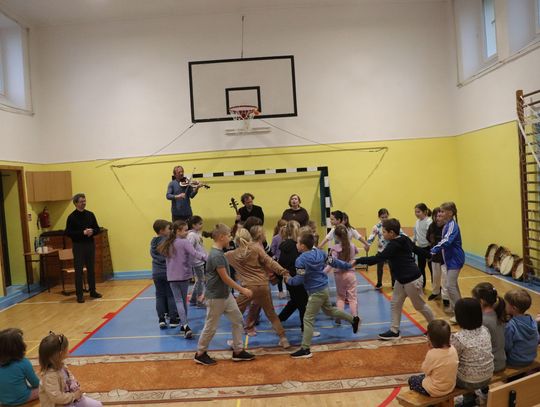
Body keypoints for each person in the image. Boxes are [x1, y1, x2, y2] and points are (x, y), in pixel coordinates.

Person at [354, 218, 435, 340]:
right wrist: (430, 255)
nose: (383, 234)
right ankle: (394, 330)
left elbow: (378, 258)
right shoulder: (404, 239)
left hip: (412, 280)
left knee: (419, 306)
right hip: (401, 280)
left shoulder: (394, 245)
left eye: (384, 232)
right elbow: (416, 249)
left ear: (391, 233)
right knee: (395, 303)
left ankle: (435, 328)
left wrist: (358, 260)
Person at [286, 232, 361, 359]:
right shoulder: (320, 253)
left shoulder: (300, 260)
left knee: (307, 319)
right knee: (329, 311)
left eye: (298, 243)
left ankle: (305, 349)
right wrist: (348, 265)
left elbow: (299, 279)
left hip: (316, 292)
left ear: (303, 246)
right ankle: (353, 320)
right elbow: (334, 262)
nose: (296, 245)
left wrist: (289, 280)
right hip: (324, 288)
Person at [194, 224, 255, 365]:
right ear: (221, 237)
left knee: (238, 320)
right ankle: (200, 353)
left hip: (225, 295)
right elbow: (225, 278)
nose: (230, 238)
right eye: (228, 235)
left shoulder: (219, 253)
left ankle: (238, 351)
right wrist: (243, 290)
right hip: (216, 298)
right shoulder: (217, 255)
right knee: (211, 327)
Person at [225, 227, 291, 349]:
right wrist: (284, 272)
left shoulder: (231, 255)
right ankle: (283, 339)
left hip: (247, 289)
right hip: (263, 286)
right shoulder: (256, 248)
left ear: (236, 240)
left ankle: (236, 342)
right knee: (271, 314)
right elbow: (270, 262)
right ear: (249, 237)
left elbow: (214, 260)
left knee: (236, 315)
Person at [158, 220, 207, 339]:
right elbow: (195, 253)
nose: (187, 232)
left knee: (178, 301)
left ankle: (184, 325)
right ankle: (185, 325)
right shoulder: (184, 242)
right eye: (185, 230)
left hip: (172, 277)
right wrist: (207, 258)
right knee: (182, 301)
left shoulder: (168, 243)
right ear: (178, 231)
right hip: (183, 276)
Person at [38, 332, 102, 407]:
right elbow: (57, 397)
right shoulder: (50, 376)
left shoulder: (61, 365)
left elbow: (69, 376)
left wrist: (73, 383)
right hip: (60, 404)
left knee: (98, 405)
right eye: (66, 349)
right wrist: (73, 396)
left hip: (69, 399)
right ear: (61, 353)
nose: (68, 351)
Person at [451, 298, 494, 405]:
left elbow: (453, 360)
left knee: (451, 370)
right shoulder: (485, 330)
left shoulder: (458, 338)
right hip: (488, 376)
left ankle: (469, 400)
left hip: (468, 381)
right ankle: (481, 393)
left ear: (459, 317)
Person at [431, 202, 464, 324]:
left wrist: (435, 249)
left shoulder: (452, 225)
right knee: (453, 285)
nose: (440, 214)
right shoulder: (447, 224)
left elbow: (447, 240)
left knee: (450, 286)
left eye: (442, 211)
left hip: (455, 259)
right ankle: (459, 309)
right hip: (449, 260)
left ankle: (460, 315)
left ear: (450, 213)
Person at [65, 193, 102, 303]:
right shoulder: (71, 217)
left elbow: (97, 229)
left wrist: (92, 231)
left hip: (89, 244)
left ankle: (92, 291)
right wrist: (82, 233)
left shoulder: (90, 214)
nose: (84, 203)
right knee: (79, 270)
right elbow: (68, 233)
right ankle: (80, 295)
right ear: (76, 203)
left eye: (85, 201)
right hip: (78, 246)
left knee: (91, 269)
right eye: (81, 201)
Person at [407, 320, 458, 397]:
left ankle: (424, 401)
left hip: (435, 390)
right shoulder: (453, 349)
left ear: (431, 339)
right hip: (450, 387)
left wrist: (430, 349)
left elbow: (425, 370)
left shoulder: (432, 354)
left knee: (412, 379)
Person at [278, 220, 311, 333]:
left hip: (289, 279)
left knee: (295, 301)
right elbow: (299, 264)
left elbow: (281, 262)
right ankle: (305, 329)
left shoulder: (285, 245)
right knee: (303, 303)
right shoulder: (295, 246)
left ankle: (279, 319)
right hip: (296, 278)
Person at [325, 225, 359, 321]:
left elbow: (331, 263)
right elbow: (356, 252)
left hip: (339, 275)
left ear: (336, 237)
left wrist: (323, 272)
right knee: (352, 298)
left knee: (340, 297)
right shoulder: (352, 245)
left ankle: (339, 317)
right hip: (351, 274)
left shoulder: (335, 248)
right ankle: (354, 317)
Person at [150, 219, 180, 329]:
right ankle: (173, 319)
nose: (170, 230)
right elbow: (170, 256)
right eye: (169, 229)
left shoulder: (153, 242)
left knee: (159, 295)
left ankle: (161, 319)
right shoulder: (166, 242)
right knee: (171, 295)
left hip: (156, 272)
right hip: (167, 272)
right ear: (162, 230)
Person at [471, 282, 506, 372]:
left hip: (491, 364)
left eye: (473, 299)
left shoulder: (483, 320)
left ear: (481, 301)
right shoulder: (497, 312)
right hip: (500, 359)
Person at [0, 328, 39, 406]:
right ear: (19, 346)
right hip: (22, 398)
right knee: (45, 388)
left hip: (3, 400)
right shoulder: (24, 362)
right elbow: (36, 383)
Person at [504, 289, 539, 366]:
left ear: (514, 308)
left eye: (506, 304)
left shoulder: (510, 325)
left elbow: (507, 346)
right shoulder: (532, 320)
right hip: (530, 358)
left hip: (515, 360)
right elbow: (537, 338)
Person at [367, 208, 394, 289]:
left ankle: (394, 283)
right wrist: (367, 244)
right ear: (379, 217)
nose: (384, 219)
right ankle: (379, 283)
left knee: (392, 267)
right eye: (382, 217)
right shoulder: (376, 227)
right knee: (379, 267)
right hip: (381, 250)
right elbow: (372, 236)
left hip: (391, 249)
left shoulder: (392, 225)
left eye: (386, 217)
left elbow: (399, 233)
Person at [426, 208, 449, 305]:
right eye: (435, 216)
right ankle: (435, 292)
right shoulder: (432, 226)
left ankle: (446, 297)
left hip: (445, 256)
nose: (437, 218)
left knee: (445, 277)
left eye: (440, 216)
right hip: (435, 255)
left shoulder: (447, 227)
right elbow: (428, 237)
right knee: (435, 276)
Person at [187, 216, 207, 308]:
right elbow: (190, 248)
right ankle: (199, 301)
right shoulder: (191, 235)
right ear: (193, 225)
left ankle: (193, 300)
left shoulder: (197, 234)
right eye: (199, 224)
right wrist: (200, 257)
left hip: (200, 260)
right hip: (197, 262)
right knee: (201, 281)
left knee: (199, 280)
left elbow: (199, 247)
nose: (201, 225)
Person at [413, 203, 433, 289]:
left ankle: (435, 288)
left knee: (431, 268)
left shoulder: (429, 221)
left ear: (425, 212)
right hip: (420, 248)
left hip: (429, 248)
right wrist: (413, 241)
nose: (416, 214)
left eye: (418, 212)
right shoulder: (417, 222)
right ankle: (422, 285)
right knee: (421, 268)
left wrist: (431, 247)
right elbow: (416, 234)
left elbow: (431, 235)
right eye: (415, 212)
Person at [270, 219, 287, 299]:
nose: (285, 228)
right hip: (279, 260)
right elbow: (272, 250)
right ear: (279, 227)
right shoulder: (276, 238)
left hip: (286, 260)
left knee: (287, 275)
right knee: (279, 277)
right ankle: (280, 291)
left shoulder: (288, 237)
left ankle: (289, 290)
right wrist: (274, 257)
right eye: (284, 226)